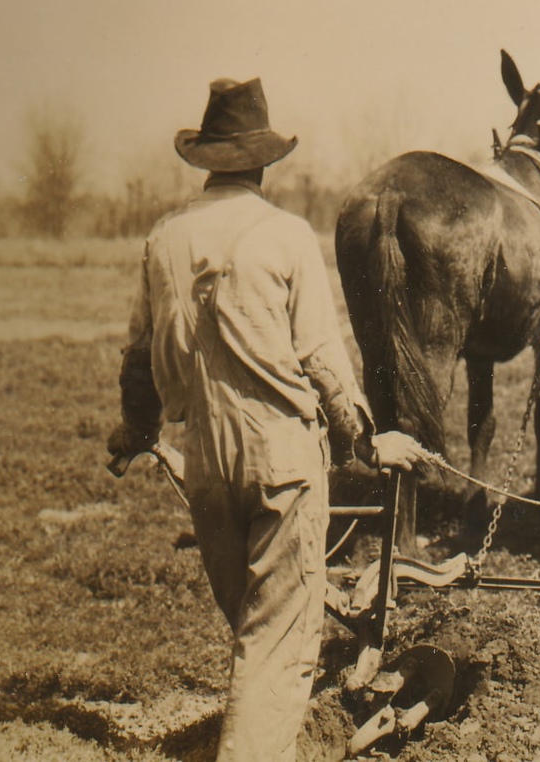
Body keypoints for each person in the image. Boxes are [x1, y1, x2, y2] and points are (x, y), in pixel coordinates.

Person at [108, 76, 427, 761]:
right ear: (261, 161)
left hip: (206, 468)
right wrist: (370, 443)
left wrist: (135, 433)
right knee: (278, 648)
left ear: (207, 161)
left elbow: (138, 358)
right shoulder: (284, 237)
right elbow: (322, 361)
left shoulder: (163, 240)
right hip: (282, 462)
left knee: (255, 633)